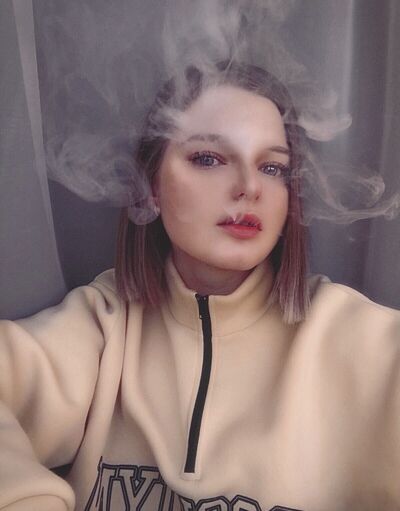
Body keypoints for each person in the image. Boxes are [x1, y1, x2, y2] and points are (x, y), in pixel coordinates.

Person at [0, 61, 399, 511]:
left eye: (272, 168)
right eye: (209, 159)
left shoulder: (357, 340)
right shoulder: (103, 324)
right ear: (151, 187)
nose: (249, 187)